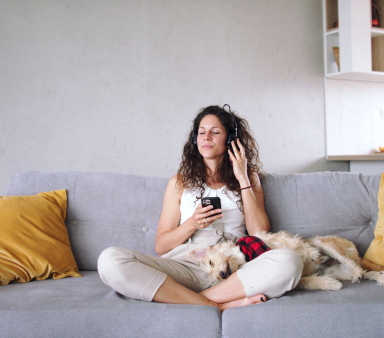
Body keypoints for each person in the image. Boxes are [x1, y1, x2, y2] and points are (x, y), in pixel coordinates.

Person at [97, 105, 303, 310]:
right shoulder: (179, 182)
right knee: (110, 259)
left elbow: (259, 232)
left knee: (289, 261)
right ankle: (219, 304)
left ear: (230, 139)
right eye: (201, 132)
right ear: (195, 139)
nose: (206, 137)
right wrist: (191, 224)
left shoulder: (249, 180)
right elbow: (161, 246)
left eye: (215, 132)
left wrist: (243, 178)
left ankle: (193, 300)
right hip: (185, 266)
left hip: (235, 267)